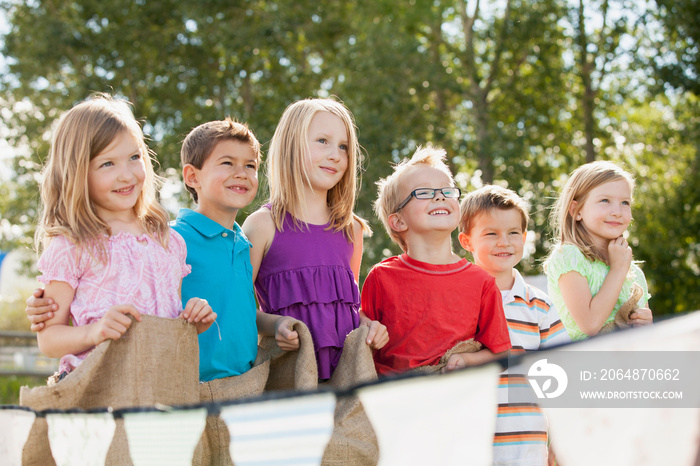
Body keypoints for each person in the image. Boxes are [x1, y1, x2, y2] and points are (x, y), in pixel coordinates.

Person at [32, 94, 215, 379]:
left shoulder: (168, 241)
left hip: (159, 387)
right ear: (79, 171)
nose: (126, 175)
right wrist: (94, 331)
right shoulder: (72, 245)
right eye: (108, 164)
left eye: (134, 157)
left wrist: (192, 321)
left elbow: (169, 322)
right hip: (96, 390)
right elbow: (49, 339)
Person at [242, 97, 388, 380]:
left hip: (346, 382)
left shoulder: (352, 230)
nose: (335, 154)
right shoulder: (261, 225)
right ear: (291, 145)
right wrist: (277, 325)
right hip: (288, 379)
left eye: (343, 147)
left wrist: (370, 325)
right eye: (322, 141)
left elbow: (346, 308)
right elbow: (240, 311)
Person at [361, 146, 511, 376]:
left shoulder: (482, 282)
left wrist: (467, 360)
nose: (440, 196)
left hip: (454, 401)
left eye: (447, 191)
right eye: (423, 192)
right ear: (398, 221)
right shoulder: (381, 277)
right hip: (395, 401)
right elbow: (362, 342)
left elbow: (501, 355)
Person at [173, 117, 298, 382]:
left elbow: (238, 311)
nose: (241, 173)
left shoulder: (242, 242)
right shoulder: (171, 239)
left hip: (244, 385)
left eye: (250, 165)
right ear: (193, 176)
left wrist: (275, 324)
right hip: (191, 386)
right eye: (227, 162)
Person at [458, 185, 570, 466]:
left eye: (513, 233)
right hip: (466, 444)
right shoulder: (456, 300)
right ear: (467, 241)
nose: (504, 242)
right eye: (491, 233)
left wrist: (560, 436)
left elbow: (560, 375)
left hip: (527, 448)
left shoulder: (540, 306)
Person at [544, 160, 653, 341]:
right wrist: (618, 269)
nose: (617, 211)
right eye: (605, 201)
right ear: (576, 210)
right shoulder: (569, 257)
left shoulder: (633, 272)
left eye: (625, 202)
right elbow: (590, 325)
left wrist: (646, 324)